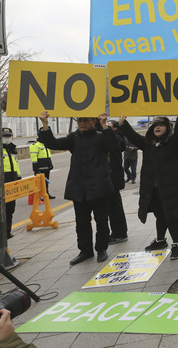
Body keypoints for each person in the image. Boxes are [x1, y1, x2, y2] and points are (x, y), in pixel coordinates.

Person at [38, 112, 117, 265]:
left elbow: (113, 145)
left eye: (86, 120)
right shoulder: (73, 138)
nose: (82, 123)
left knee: (101, 220)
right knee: (81, 222)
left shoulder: (101, 136)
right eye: (80, 120)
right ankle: (85, 251)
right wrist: (45, 125)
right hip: (79, 188)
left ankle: (101, 249)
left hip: (99, 186)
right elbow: (53, 144)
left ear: (93, 122)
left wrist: (105, 125)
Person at [119, 114, 178, 260]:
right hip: (152, 189)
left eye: (161, 125)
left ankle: (176, 244)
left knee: (172, 216)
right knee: (159, 215)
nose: (158, 127)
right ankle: (160, 240)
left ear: (167, 129)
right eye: (155, 125)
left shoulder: (173, 144)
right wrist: (122, 123)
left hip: (170, 189)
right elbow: (132, 136)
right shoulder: (147, 144)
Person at [105, 120, 128, 244]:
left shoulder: (117, 139)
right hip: (108, 179)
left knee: (115, 208)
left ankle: (120, 233)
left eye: (108, 126)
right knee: (110, 208)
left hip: (113, 179)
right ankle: (115, 232)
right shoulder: (108, 138)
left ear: (114, 129)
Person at [2, 128, 21, 239]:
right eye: (4, 136)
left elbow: (16, 164)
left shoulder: (12, 149)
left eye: (8, 136)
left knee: (10, 209)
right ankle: (2, 232)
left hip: (13, 181)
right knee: (2, 209)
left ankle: (8, 231)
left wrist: (18, 177)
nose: (7, 138)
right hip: (2, 182)